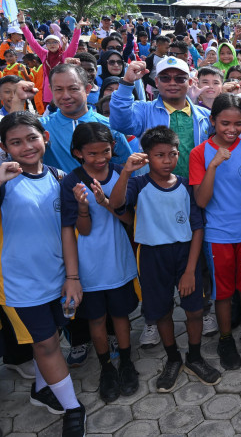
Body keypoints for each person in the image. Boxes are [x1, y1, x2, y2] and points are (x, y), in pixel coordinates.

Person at [109, 127, 221, 393]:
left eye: (172, 154)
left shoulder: (185, 186)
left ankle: (194, 356)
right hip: (152, 255)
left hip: (185, 255)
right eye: (159, 155)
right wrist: (125, 171)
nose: (167, 160)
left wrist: (190, 270)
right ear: (147, 157)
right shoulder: (137, 184)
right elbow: (115, 204)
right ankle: (173, 358)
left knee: (195, 310)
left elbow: (197, 228)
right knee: (161, 312)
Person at [0, 112, 87, 436]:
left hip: (59, 279)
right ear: (5, 147)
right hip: (21, 284)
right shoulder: (5, 181)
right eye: (16, 142)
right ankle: (73, 409)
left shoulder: (58, 177)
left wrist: (73, 277)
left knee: (50, 339)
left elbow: (69, 230)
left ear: (45, 138)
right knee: (47, 344)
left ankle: (42, 388)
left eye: (32, 138)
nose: (26, 147)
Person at [60, 123, 139, 402]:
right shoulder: (72, 181)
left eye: (105, 151)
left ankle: (127, 361)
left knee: (121, 315)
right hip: (89, 265)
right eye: (91, 154)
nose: (99, 158)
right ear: (78, 153)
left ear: (113, 148)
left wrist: (106, 202)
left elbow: (129, 219)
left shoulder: (119, 173)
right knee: (96, 318)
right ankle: (106, 366)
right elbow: (84, 230)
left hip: (118, 259)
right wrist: (83, 207)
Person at [189, 94, 241, 371]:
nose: (231, 129)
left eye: (237, 123)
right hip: (217, 237)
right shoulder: (199, 154)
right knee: (222, 293)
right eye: (224, 123)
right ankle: (224, 339)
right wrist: (213, 165)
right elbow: (201, 201)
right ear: (212, 121)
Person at [111, 57, 212, 179]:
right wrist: (127, 83)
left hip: (196, 188)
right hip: (154, 190)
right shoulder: (144, 110)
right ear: (157, 82)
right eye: (165, 78)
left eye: (180, 78)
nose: (172, 83)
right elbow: (120, 124)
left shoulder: (205, 115)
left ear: (190, 83)